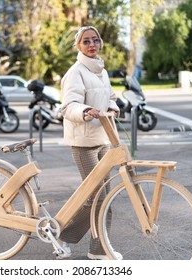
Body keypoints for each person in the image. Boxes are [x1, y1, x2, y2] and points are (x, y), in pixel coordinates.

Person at [59, 26, 121, 260]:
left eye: (95, 40)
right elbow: (68, 106)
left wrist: (112, 109)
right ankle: (65, 236)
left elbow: (111, 97)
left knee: (103, 197)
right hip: (84, 142)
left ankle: (97, 249)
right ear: (78, 46)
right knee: (98, 197)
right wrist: (86, 111)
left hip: (103, 139)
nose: (92, 44)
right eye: (86, 41)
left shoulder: (100, 71)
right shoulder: (76, 72)